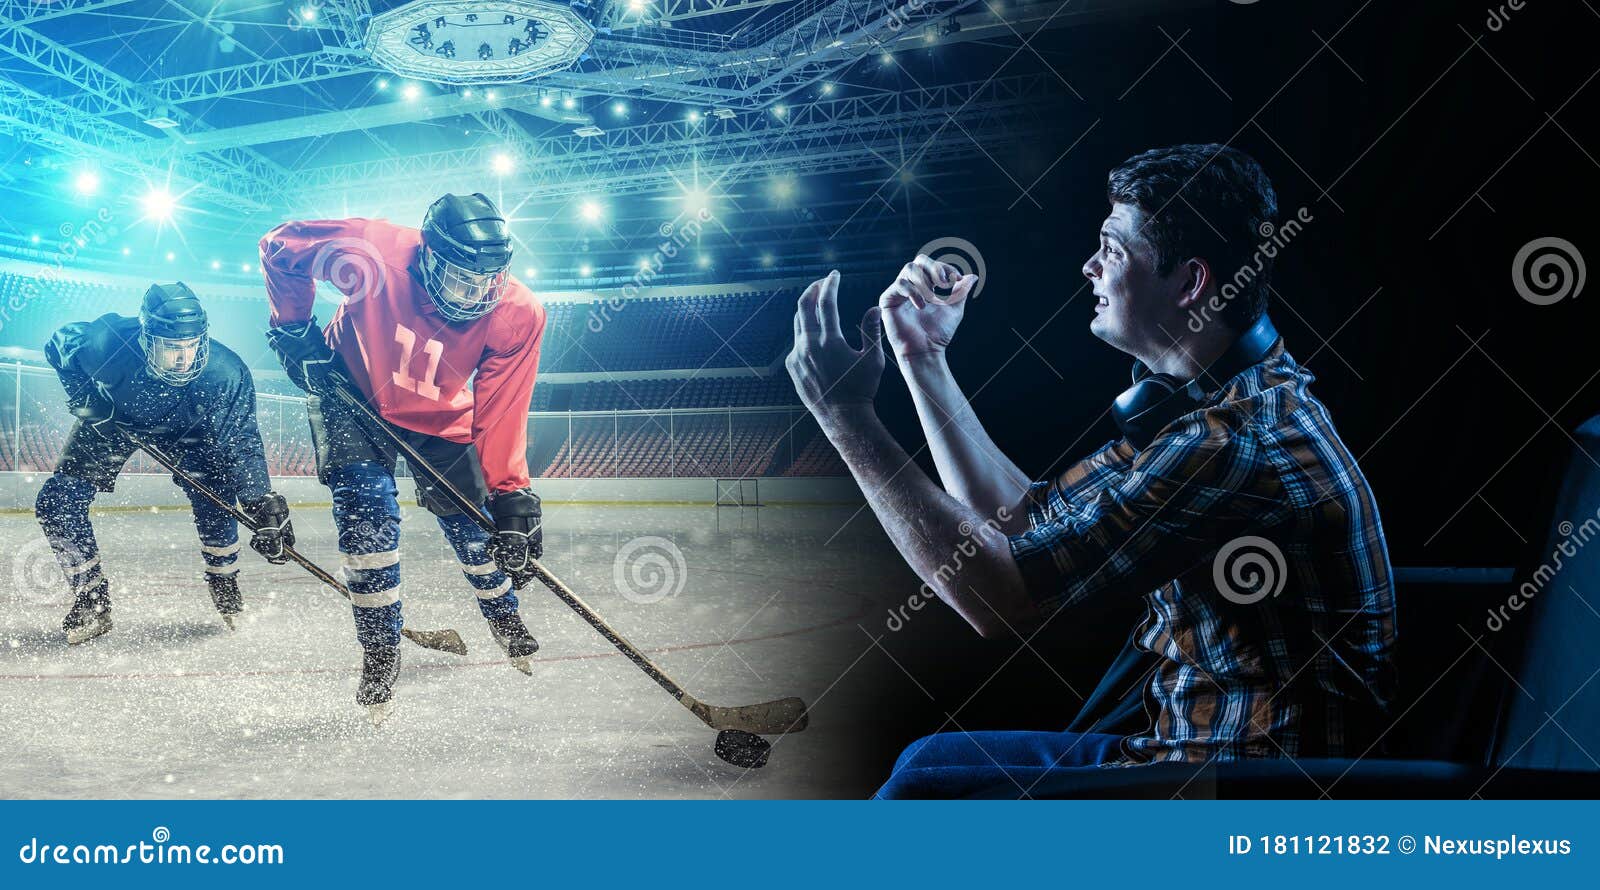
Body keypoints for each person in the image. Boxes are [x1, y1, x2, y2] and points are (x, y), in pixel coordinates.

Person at [785, 144, 1398, 798]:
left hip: (1241, 791)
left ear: (1190, 284)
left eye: (1111, 249)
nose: (1089, 267)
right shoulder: (1210, 400)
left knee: (918, 797)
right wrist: (923, 358)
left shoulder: (1224, 444)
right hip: (1178, 748)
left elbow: (996, 596)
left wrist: (843, 416)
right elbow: (1023, 519)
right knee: (924, 764)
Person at [259, 192, 546, 718]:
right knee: (365, 512)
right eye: (462, 278)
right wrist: (292, 325)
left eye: (488, 281)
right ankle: (380, 648)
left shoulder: (518, 314)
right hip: (350, 391)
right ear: (431, 257)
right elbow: (280, 247)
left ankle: (504, 616)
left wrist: (511, 492)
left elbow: (502, 407)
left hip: (440, 416)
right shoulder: (373, 252)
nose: (476, 294)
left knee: (473, 526)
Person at [37, 283, 294, 644]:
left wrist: (258, 501)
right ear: (146, 338)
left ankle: (224, 579)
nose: (184, 358)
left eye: (191, 346)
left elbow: (241, 439)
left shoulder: (226, 373)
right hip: (115, 420)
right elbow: (58, 346)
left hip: (190, 431)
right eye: (172, 347)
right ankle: (91, 600)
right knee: (57, 502)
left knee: (216, 495)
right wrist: (89, 402)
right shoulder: (106, 342)